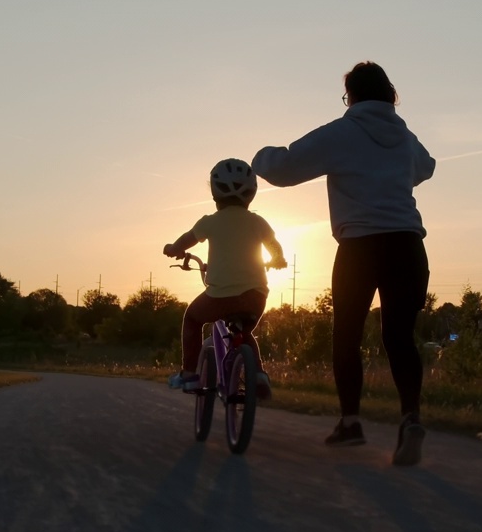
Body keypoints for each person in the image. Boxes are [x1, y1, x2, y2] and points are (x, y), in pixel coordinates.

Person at [252, 61, 434, 466]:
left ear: (350, 96)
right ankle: (411, 419)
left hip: (359, 247)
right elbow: (427, 167)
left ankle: (350, 422)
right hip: (408, 243)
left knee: (346, 334)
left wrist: (258, 158)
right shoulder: (405, 136)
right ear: (390, 95)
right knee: (400, 337)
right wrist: (391, 173)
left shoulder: (342, 131)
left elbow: (284, 168)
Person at [163, 158, 286, 398]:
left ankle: (189, 373)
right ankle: (259, 375)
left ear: (215, 193)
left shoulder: (209, 222)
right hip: (255, 295)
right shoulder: (258, 222)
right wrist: (278, 259)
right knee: (245, 333)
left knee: (192, 319)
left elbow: (186, 241)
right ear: (251, 193)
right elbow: (274, 246)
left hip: (220, 294)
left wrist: (173, 249)